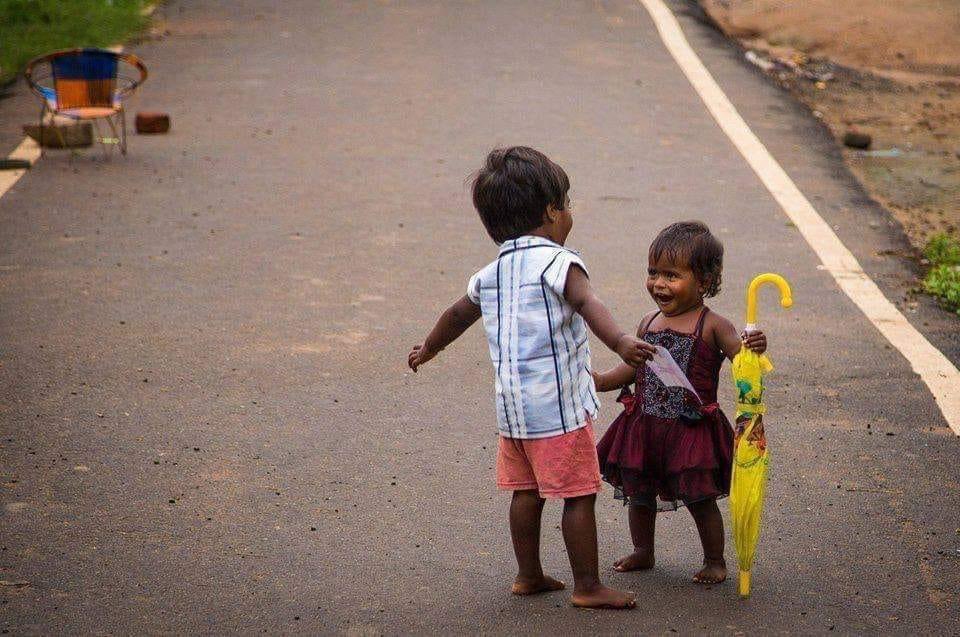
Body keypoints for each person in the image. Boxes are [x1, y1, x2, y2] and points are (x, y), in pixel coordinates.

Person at [408, 146, 654, 609]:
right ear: (551, 211)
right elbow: (587, 304)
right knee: (579, 494)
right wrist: (621, 342)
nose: (569, 213)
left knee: (527, 492)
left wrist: (430, 348)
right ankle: (587, 586)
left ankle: (529, 574)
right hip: (559, 410)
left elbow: (457, 314)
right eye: (567, 203)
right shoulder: (560, 263)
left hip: (512, 413)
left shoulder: (491, 271)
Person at [593, 221, 767, 585]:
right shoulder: (648, 322)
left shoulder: (713, 325)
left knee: (700, 498)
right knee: (639, 495)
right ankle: (643, 550)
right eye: (653, 272)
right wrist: (600, 381)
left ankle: (715, 559)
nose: (658, 283)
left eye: (671, 275)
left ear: (703, 281)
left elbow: (744, 365)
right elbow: (630, 367)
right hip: (645, 423)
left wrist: (753, 347)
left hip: (691, 429)